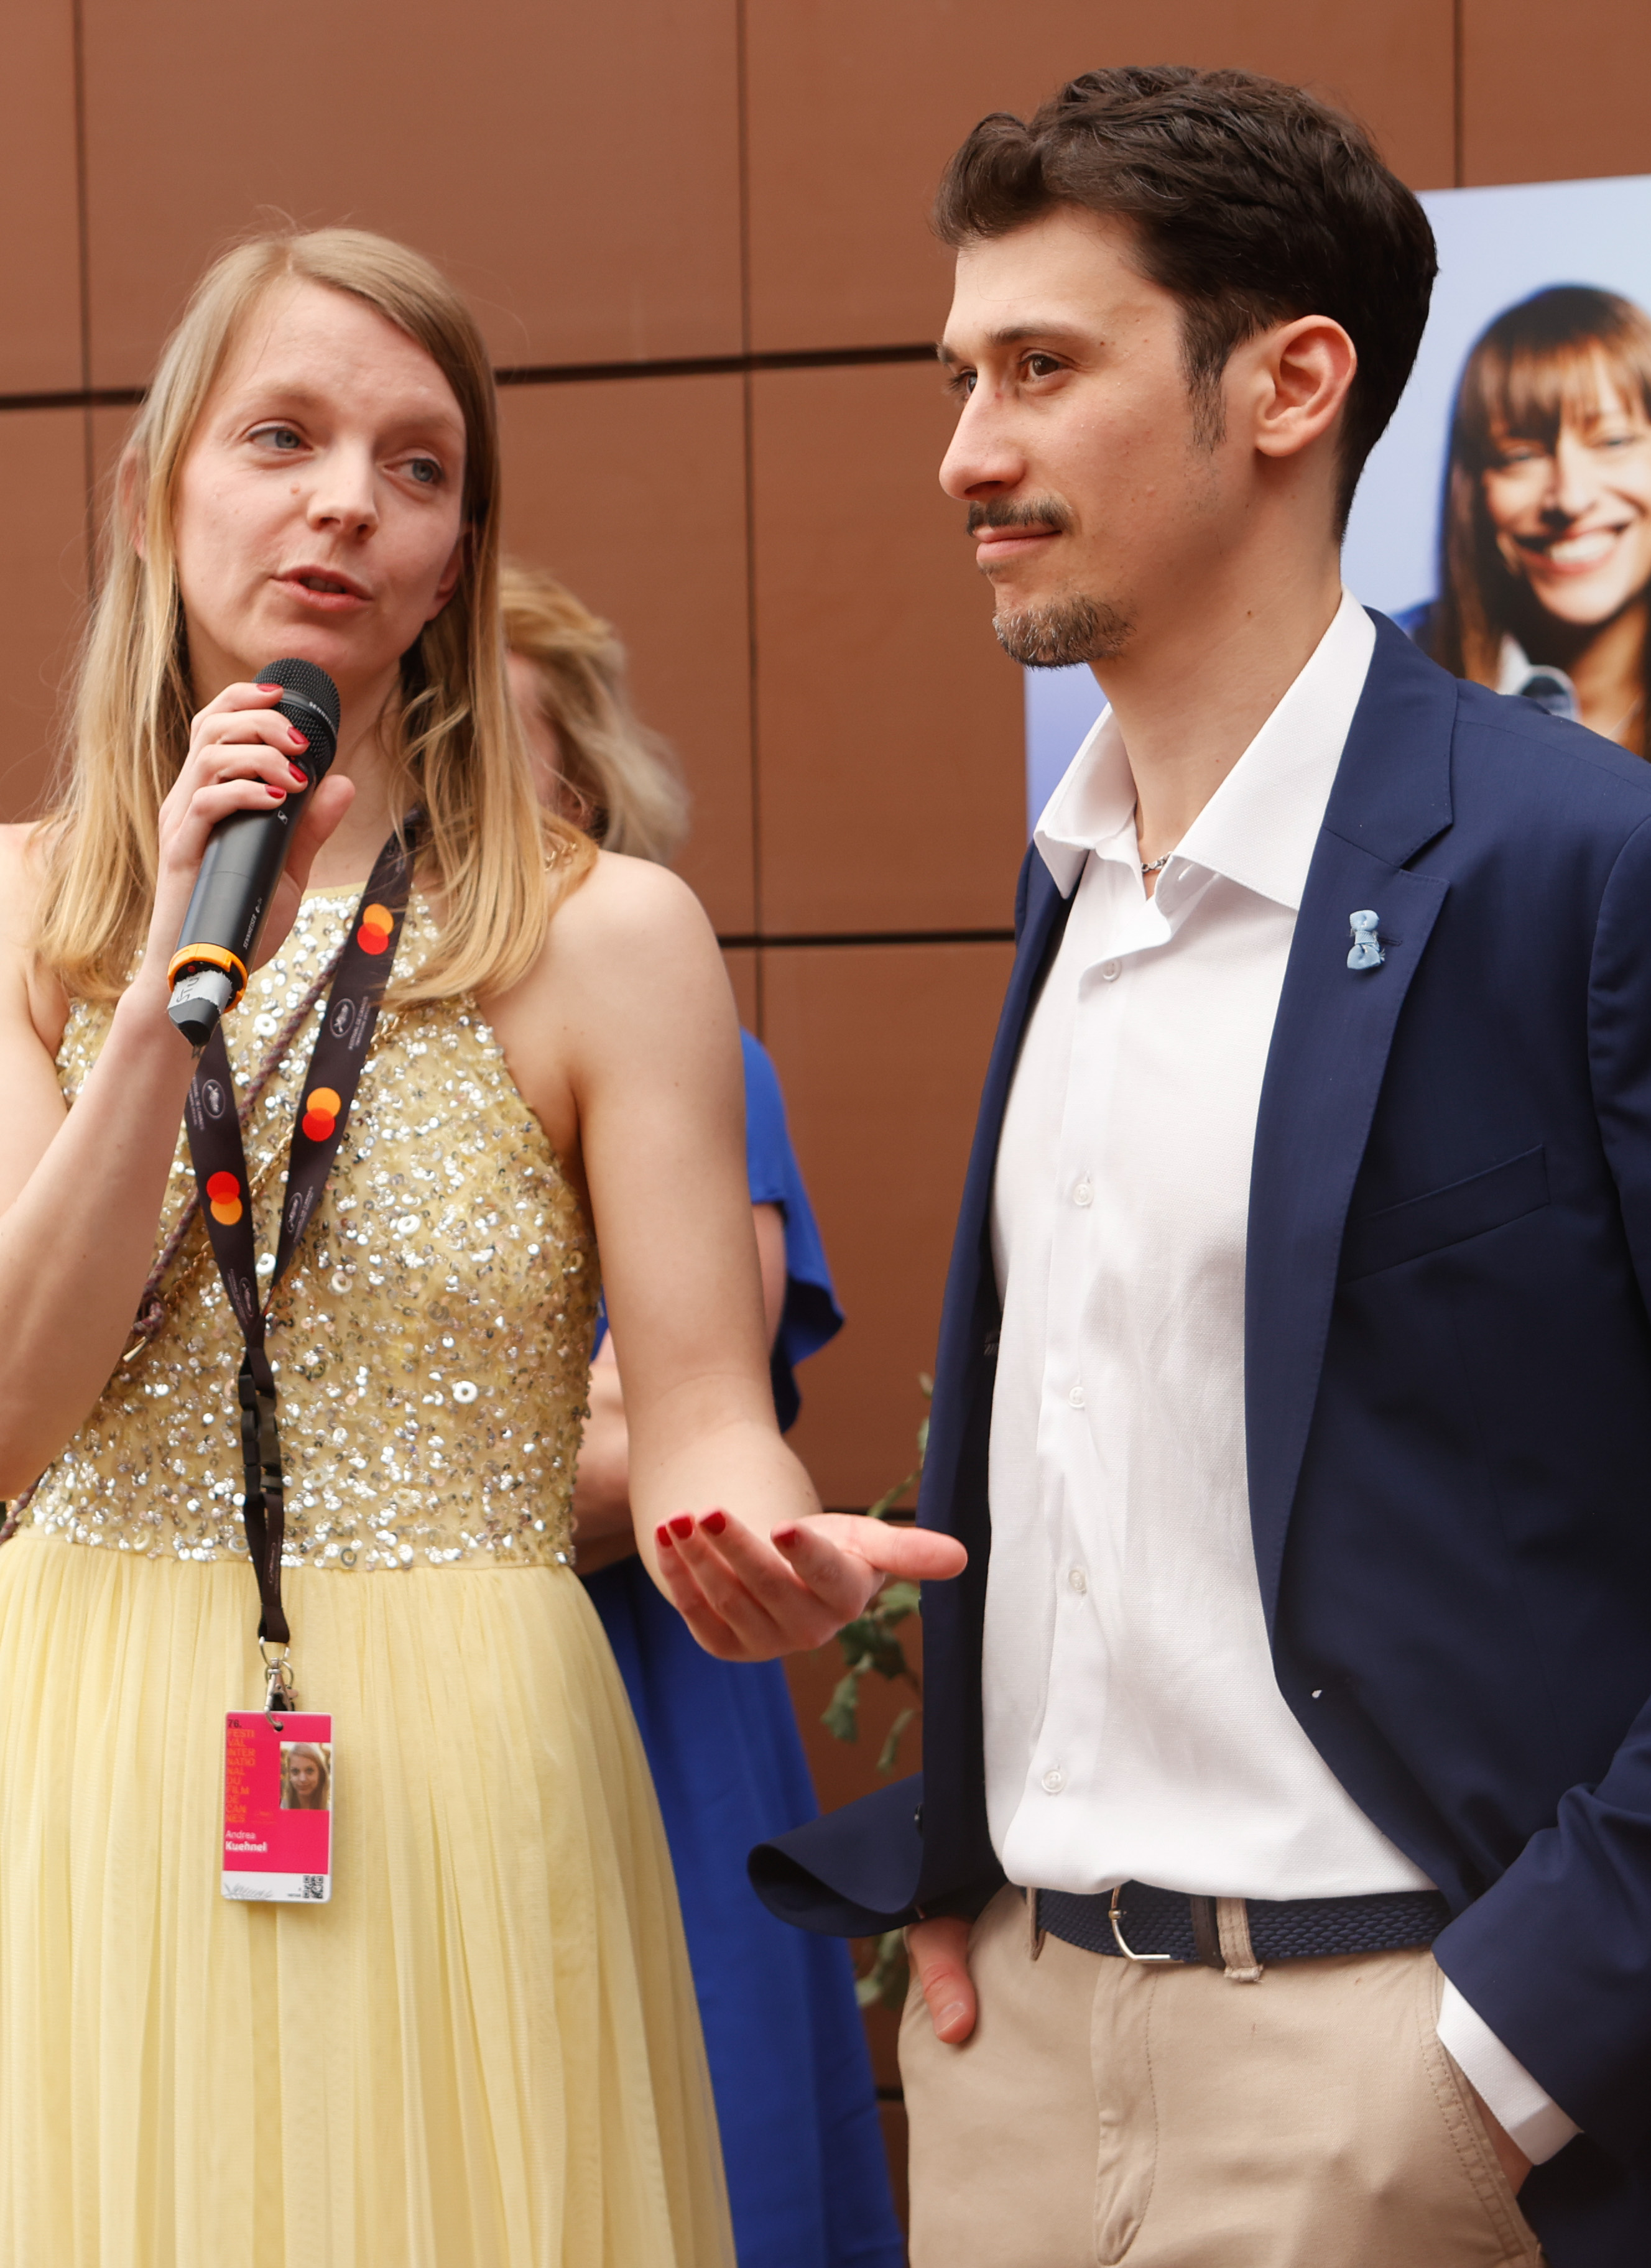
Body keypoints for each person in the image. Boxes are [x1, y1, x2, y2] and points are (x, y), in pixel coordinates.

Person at [742, 67, 1651, 2266]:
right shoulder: (1072, 889)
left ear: (1292, 383)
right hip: (1017, 2065)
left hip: (1414, 2071)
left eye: (1042, 370)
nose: (965, 449)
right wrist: (971, 1872)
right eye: (962, 376)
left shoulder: (1609, 878)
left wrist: (1504, 2045)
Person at [0, 228, 955, 2267]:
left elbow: (709, 1412)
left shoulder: (607, 936)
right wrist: (184, 985)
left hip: (465, 1747)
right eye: (284, 434)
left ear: (455, 556)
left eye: (417, 464)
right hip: (80, 1731)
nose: (349, 495)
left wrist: (762, 1538)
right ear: (158, 488)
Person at [502, 559, 904, 2268]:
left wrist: (323, 1458)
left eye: (465, 737)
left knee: (689, 2177)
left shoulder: (691, 1053)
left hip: (645, 1719)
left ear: (577, 797)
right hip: (387, 1733)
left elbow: (657, 1447)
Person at [1412, 286, 1651, 755]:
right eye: (1520, 456)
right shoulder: (1383, 675)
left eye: (1613, 442)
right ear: (1473, 489)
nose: (1571, 499)